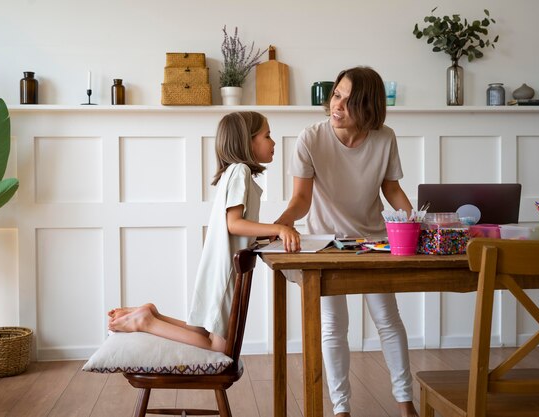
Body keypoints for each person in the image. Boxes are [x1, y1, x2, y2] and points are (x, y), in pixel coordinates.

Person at [275, 67, 419, 417]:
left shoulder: (384, 138)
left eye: (349, 100)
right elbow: (301, 199)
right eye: (336, 94)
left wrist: (417, 223)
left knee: (388, 320)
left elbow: (391, 189)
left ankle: (405, 404)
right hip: (325, 244)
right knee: (334, 326)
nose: (337, 105)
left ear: (368, 107)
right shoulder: (311, 138)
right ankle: (341, 410)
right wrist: (281, 224)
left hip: (374, 241)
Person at [108, 111, 301, 353]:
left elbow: (237, 228)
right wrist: (278, 228)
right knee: (219, 347)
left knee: (202, 332)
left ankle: (151, 314)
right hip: (225, 272)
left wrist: (269, 234)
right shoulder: (240, 171)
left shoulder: (236, 172)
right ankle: (145, 322)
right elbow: (234, 223)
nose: (273, 142)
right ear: (247, 141)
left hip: (218, 265)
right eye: (267, 135)